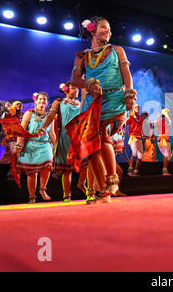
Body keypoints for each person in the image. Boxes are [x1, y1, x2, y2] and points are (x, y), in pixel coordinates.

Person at [70, 16, 136, 204]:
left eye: (109, 29)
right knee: (90, 148)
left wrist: (129, 93)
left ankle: (112, 183)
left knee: (100, 133)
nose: (108, 32)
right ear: (92, 30)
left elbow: (126, 74)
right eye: (104, 28)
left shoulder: (117, 50)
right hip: (93, 102)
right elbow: (74, 80)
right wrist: (87, 84)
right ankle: (104, 191)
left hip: (114, 99)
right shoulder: (82, 56)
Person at [41, 83, 89, 203]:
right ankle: (67, 195)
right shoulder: (59, 102)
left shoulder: (79, 103)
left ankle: (81, 183)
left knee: (86, 163)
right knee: (67, 169)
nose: (76, 90)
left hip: (79, 136)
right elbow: (51, 115)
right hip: (66, 136)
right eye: (73, 88)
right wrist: (44, 127)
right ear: (66, 90)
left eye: (77, 88)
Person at [14, 92, 56, 203]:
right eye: (40, 99)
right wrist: (18, 144)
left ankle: (42, 189)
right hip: (31, 145)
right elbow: (21, 130)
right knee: (32, 173)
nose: (42, 101)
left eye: (44, 100)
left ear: (47, 102)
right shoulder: (29, 113)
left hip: (45, 145)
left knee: (47, 165)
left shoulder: (49, 116)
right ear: (36, 101)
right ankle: (32, 198)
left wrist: (57, 147)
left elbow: (51, 133)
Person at [0, 101, 23, 165]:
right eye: (17, 104)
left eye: (20, 105)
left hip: (19, 138)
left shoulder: (23, 115)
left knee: (8, 156)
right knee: (16, 156)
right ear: (14, 106)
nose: (19, 106)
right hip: (11, 138)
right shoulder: (9, 115)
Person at [125, 103, 145, 177]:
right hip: (133, 137)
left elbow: (142, 127)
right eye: (136, 107)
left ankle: (136, 171)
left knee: (140, 156)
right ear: (133, 109)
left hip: (139, 137)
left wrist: (143, 134)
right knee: (134, 153)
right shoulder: (130, 117)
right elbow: (124, 124)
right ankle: (130, 169)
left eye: (138, 108)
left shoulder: (141, 118)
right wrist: (122, 129)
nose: (137, 109)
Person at [154, 109, 172, 175]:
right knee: (166, 154)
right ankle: (165, 170)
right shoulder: (160, 121)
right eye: (168, 113)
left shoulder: (168, 121)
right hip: (162, 139)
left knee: (169, 156)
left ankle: (164, 169)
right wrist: (157, 118)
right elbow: (154, 125)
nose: (169, 114)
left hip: (167, 139)